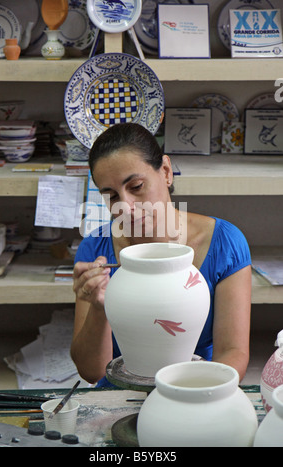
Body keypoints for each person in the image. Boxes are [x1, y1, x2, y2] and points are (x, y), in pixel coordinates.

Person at [71, 123, 252, 386]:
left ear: (165, 171)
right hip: (119, 393)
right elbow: (92, 371)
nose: (126, 208)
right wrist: (99, 309)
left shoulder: (224, 242)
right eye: (111, 195)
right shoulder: (95, 249)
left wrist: (185, 395)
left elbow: (233, 353)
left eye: (136, 187)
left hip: (198, 387)